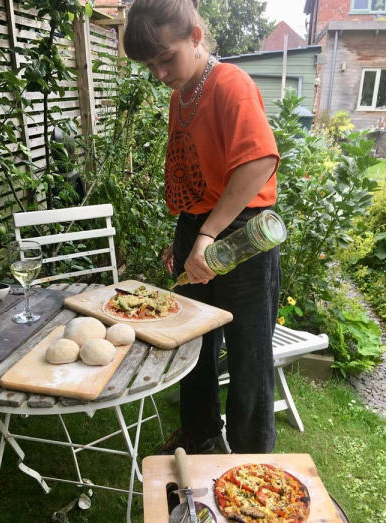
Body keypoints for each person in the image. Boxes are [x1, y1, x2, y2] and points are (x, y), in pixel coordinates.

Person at [124, 0, 281, 455]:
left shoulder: (231, 84)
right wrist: (186, 235)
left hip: (241, 238)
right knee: (193, 345)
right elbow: (194, 173)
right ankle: (199, 439)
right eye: (149, 65)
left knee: (249, 354)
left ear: (194, 37)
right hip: (199, 228)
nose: (159, 74)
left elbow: (258, 164)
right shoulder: (180, 96)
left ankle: (253, 461)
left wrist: (208, 235)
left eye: (165, 59)